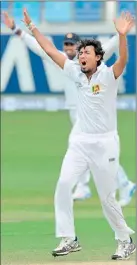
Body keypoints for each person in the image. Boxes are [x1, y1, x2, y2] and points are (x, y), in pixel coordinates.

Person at [21, 9, 136, 260]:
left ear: (98, 58)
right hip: (80, 142)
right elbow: (51, 51)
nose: (81, 55)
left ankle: (125, 240)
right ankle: (69, 238)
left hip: (105, 143)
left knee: (107, 197)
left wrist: (123, 35)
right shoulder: (75, 72)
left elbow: (123, 61)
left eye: (86, 53)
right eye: (80, 52)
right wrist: (31, 27)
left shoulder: (107, 74)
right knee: (63, 185)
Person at [2, 12, 136, 206]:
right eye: (66, 44)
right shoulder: (65, 63)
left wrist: (122, 32)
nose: (70, 48)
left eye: (73, 45)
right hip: (76, 112)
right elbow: (41, 48)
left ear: (80, 47)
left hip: (91, 116)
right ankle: (111, 185)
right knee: (90, 153)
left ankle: (93, 186)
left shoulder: (91, 59)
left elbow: (115, 45)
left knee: (79, 147)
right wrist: (17, 29)